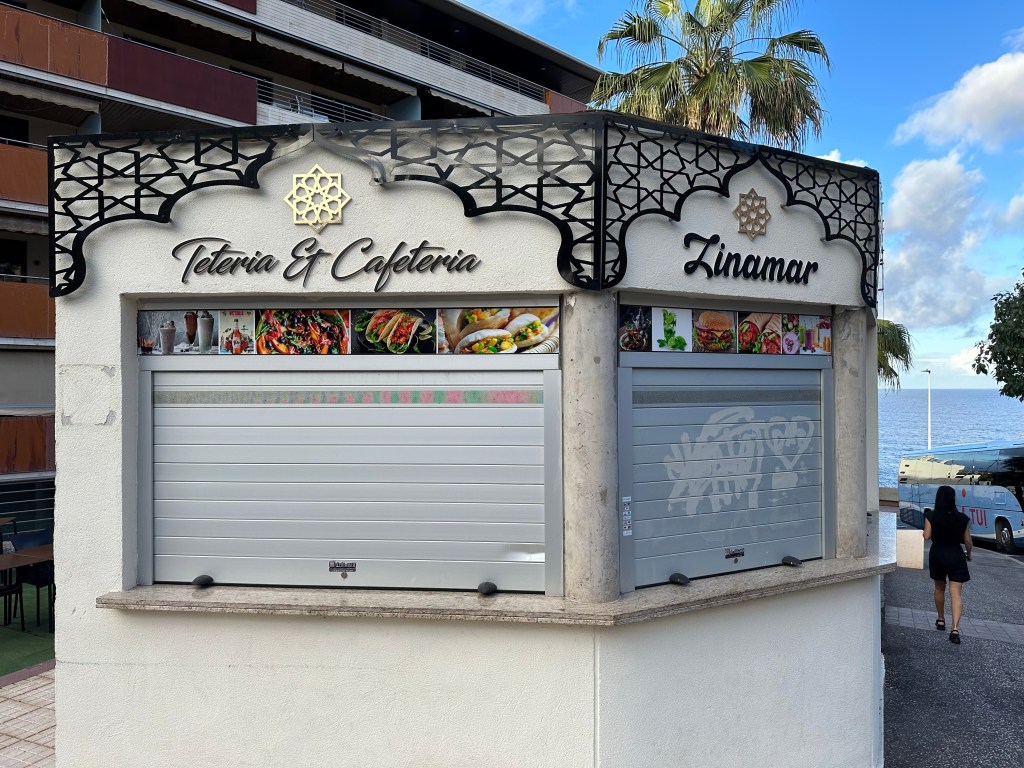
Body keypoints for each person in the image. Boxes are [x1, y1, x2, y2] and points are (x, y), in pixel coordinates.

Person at [923, 485, 973, 644]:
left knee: (939, 587)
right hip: (956, 554)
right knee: (956, 593)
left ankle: (940, 620)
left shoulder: (931, 515)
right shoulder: (963, 518)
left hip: (938, 553)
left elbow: (927, 536)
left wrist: (926, 531)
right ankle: (955, 629)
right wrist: (968, 554)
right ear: (953, 499)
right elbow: (968, 541)